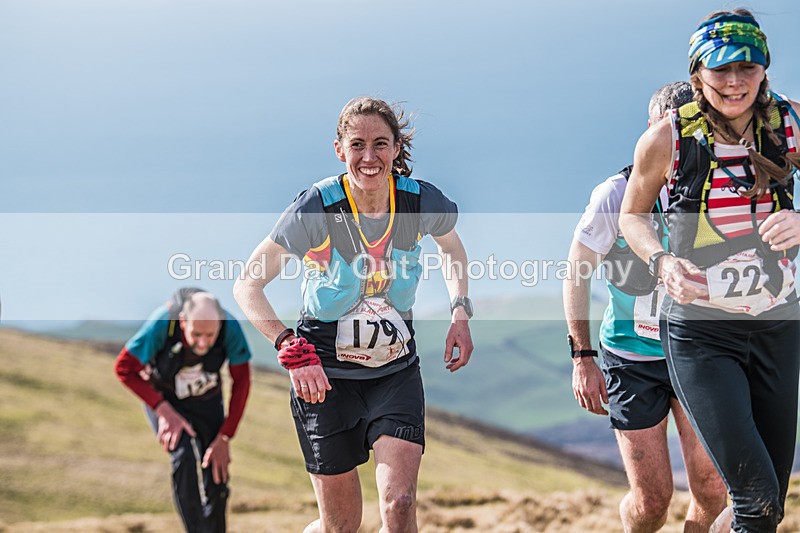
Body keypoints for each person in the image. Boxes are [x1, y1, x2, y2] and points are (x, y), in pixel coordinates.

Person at [233, 96, 474, 532]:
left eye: (381, 144)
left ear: (397, 149)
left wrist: (460, 311)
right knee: (340, 527)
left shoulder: (419, 201)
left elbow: (453, 250)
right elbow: (247, 286)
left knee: (399, 507)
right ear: (339, 149)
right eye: (357, 144)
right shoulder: (316, 208)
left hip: (394, 372)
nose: (369, 157)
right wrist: (289, 347)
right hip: (324, 378)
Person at [619, 9, 800, 533]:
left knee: (766, 505)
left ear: (765, 68)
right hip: (701, 332)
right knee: (756, 497)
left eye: (748, 66)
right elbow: (632, 214)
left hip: (777, 325)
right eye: (721, 69)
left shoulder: (788, 124)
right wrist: (661, 259)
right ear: (698, 73)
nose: (736, 81)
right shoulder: (667, 138)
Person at [564, 81, 726, 533]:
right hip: (631, 358)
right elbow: (576, 272)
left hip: (697, 352)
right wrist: (582, 357)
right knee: (652, 502)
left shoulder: (719, 193)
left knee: (712, 490)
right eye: (667, 134)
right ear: (650, 135)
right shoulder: (613, 195)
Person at [115, 288, 252, 533]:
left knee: (217, 472)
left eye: (210, 335)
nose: (202, 343)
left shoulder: (230, 327)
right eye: (195, 334)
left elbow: (242, 380)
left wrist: (225, 436)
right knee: (184, 458)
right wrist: (164, 411)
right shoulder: (161, 324)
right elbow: (124, 368)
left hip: (207, 399)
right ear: (182, 322)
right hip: (166, 400)